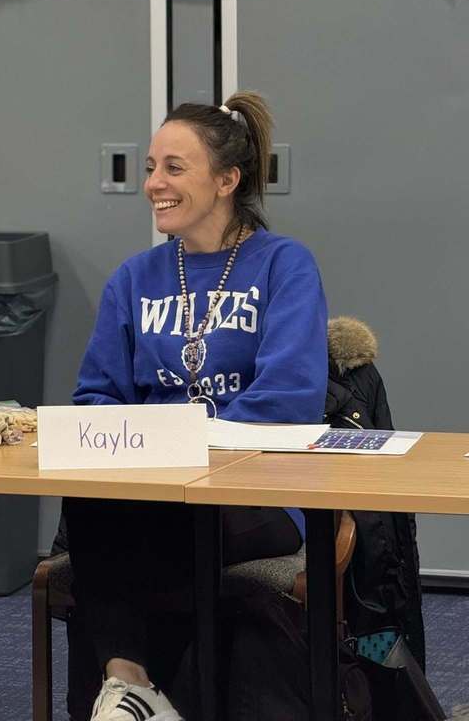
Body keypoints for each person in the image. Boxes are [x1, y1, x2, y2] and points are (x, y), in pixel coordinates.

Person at [65, 91, 327, 721]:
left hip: (257, 491)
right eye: (152, 167)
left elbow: (288, 398)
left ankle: (137, 688)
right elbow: (96, 398)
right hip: (155, 485)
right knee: (93, 501)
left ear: (228, 180)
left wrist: (179, 443)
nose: (154, 183)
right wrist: (149, 451)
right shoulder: (135, 277)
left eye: (174, 168)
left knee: (136, 535)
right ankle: (133, 684)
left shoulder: (284, 265)